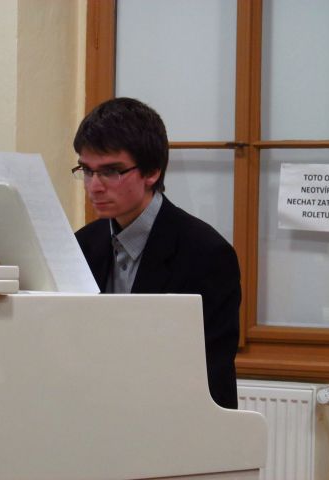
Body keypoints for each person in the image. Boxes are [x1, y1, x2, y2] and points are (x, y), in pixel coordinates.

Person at [72, 97, 240, 409]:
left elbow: (211, 374)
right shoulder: (82, 245)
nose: (94, 186)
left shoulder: (207, 254)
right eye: (87, 170)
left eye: (111, 171)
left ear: (151, 172)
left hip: (174, 417)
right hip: (97, 411)